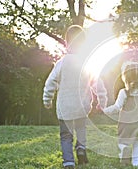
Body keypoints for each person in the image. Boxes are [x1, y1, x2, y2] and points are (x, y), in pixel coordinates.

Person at [43, 25, 107, 169]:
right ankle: (81, 149)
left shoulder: (61, 63)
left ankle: (69, 162)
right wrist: (101, 101)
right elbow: (98, 84)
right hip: (82, 106)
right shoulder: (87, 63)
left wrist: (47, 100)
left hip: (65, 108)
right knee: (81, 129)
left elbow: (50, 83)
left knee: (66, 135)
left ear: (66, 43)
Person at [102, 61, 138, 167]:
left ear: (125, 78)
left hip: (126, 123)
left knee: (123, 141)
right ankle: (135, 163)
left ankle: (124, 152)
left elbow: (117, 107)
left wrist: (105, 110)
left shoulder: (124, 93)